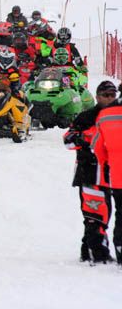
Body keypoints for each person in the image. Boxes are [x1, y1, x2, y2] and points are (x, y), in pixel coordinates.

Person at [64, 81, 118, 263]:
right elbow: (68, 140)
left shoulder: (117, 115)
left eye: (113, 95)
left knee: (107, 213)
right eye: (106, 95)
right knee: (95, 215)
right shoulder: (86, 117)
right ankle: (97, 253)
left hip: (112, 174)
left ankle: (88, 251)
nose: (110, 99)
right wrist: (85, 140)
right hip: (89, 172)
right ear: (97, 96)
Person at [92, 83, 122, 264]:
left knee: (121, 213)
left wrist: (107, 164)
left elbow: (97, 146)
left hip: (117, 176)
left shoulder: (105, 115)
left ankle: (120, 247)